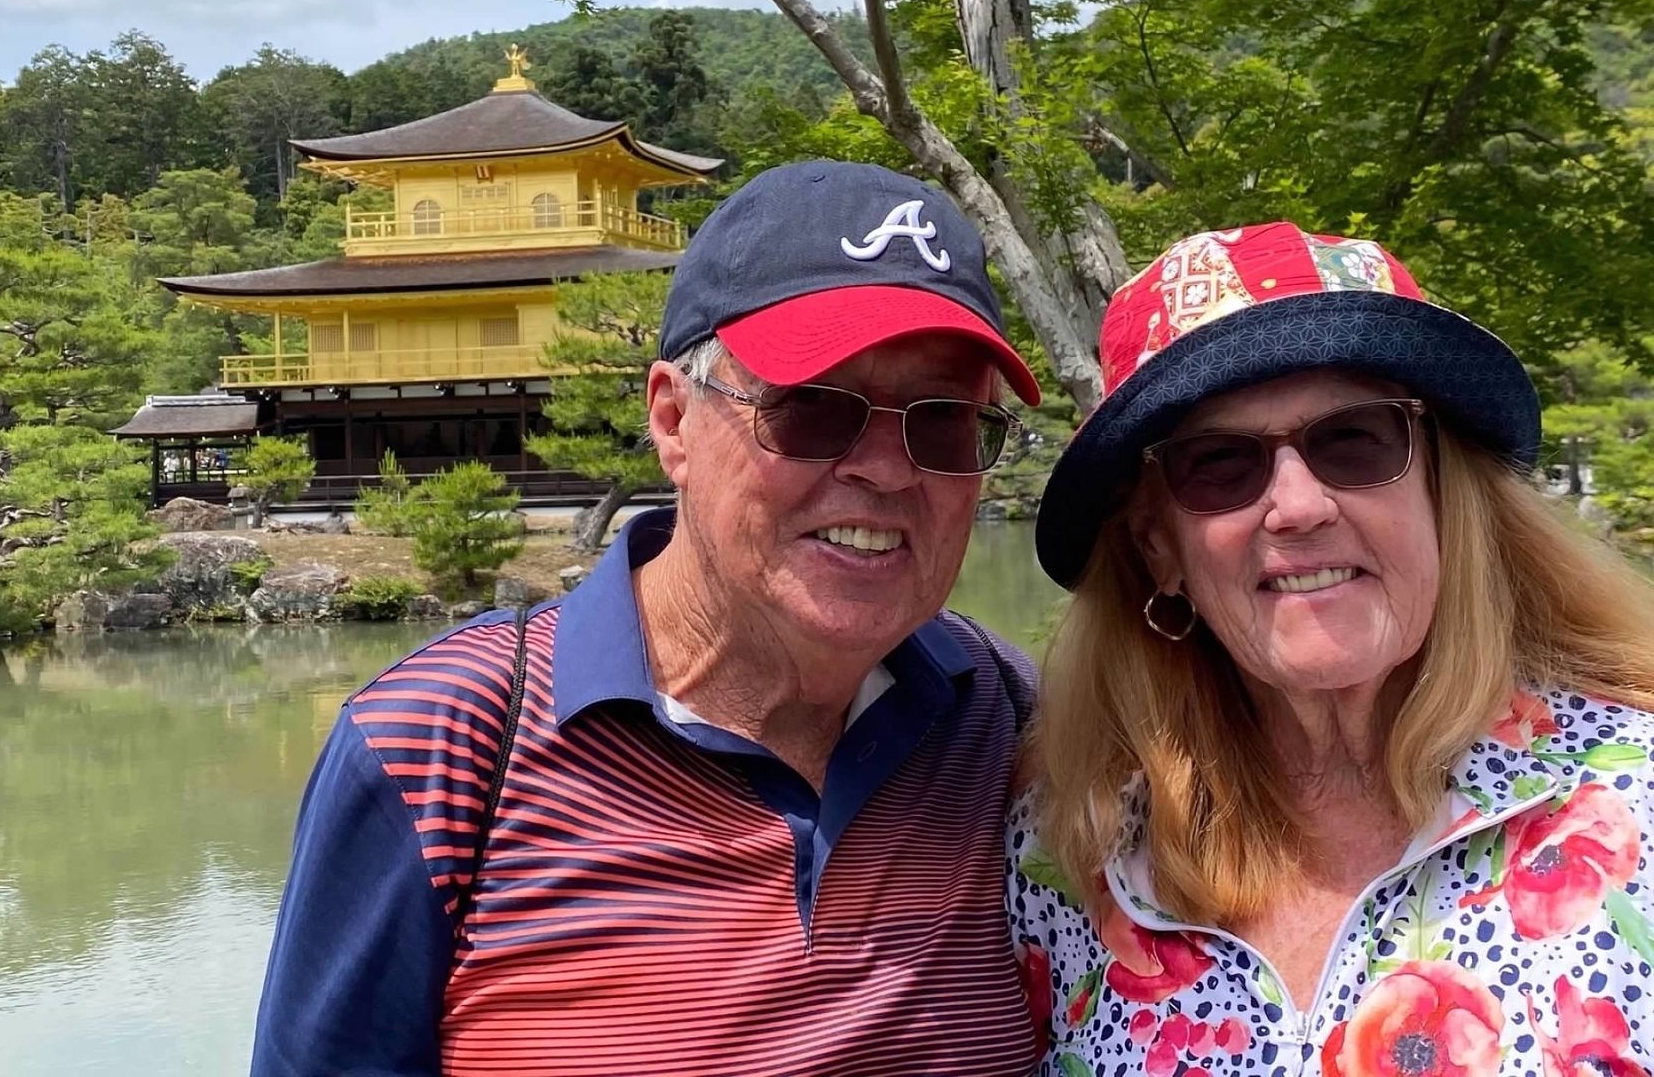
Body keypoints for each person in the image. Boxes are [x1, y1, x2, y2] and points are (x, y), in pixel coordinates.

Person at [253, 160, 1046, 1077]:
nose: (887, 468)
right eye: (814, 409)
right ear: (673, 420)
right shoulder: (439, 746)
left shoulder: (1009, 720)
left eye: (942, 421)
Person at [1008, 222, 1654, 1076]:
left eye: (1355, 439)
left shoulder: (1634, 802)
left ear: (1444, 493)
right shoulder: (1068, 857)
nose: (1299, 506)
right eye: (1220, 463)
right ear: (1159, 548)